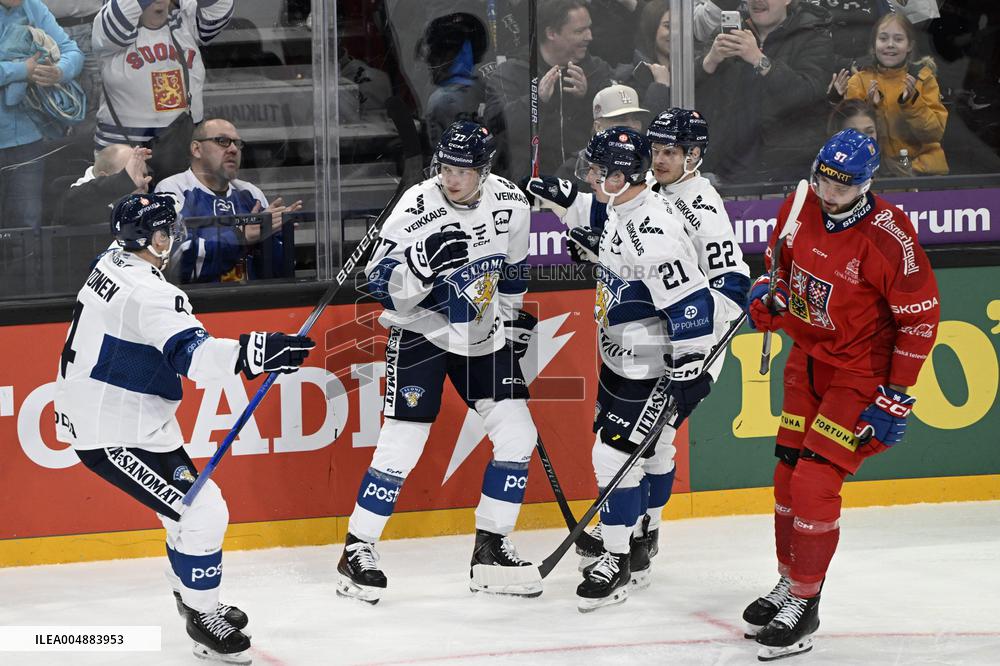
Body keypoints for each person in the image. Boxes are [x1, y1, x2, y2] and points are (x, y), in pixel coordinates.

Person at [53, 192, 314, 664]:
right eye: (165, 230)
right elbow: (193, 358)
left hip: (134, 417)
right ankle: (202, 616)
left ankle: (192, 596)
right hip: (109, 430)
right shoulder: (149, 293)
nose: (171, 236)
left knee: (185, 513)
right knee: (202, 513)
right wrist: (258, 352)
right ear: (149, 239)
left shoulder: (111, 260)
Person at [525, 109, 750, 588]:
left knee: (630, 450)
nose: (660, 159)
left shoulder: (700, 209)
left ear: (694, 155)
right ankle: (639, 535)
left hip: (675, 345)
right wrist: (575, 213)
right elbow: (618, 216)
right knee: (651, 447)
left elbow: (728, 287)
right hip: (640, 341)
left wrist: (693, 359)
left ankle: (625, 544)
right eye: (657, 149)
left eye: (671, 151)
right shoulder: (651, 194)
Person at [743, 129, 939, 660]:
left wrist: (896, 395)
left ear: (866, 184)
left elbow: (921, 320)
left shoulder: (889, 235)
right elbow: (777, 270)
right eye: (825, 180)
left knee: (814, 481)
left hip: (860, 371)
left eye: (843, 186)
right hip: (808, 360)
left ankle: (805, 602)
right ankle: (789, 580)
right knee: (787, 473)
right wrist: (767, 297)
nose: (830, 194)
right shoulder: (798, 204)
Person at [336, 121, 542, 603]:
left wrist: (512, 321)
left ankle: (490, 550)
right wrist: (418, 266)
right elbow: (375, 283)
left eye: (463, 171)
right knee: (403, 443)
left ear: (484, 171)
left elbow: (513, 272)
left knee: (518, 434)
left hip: (483, 337)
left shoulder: (511, 203)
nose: (452, 179)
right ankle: (357, 549)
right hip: (420, 334)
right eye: (446, 168)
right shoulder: (416, 204)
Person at [567, 127, 716, 611]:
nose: (590, 177)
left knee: (612, 457)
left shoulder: (652, 231)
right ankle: (639, 540)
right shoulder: (622, 207)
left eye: (596, 170)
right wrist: (596, 251)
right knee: (643, 453)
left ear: (619, 176)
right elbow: (635, 277)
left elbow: (691, 304)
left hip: (650, 363)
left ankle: (617, 561)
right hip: (620, 356)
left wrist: (689, 371)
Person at [92, 0, 234, 179]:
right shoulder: (107, 26)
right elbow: (118, 18)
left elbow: (220, 7)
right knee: (128, 198)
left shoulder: (184, 21)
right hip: (124, 148)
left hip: (180, 145)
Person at [696, 0, 834, 183]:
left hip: (789, 170)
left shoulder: (813, 33)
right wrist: (710, 61)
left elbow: (810, 93)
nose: (757, 1)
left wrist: (758, 59)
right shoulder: (726, 33)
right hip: (729, 168)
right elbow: (691, 94)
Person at [156, 118, 302, 283]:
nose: (233, 149)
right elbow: (177, 263)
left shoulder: (251, 193)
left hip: (253, 297)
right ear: (196, 149)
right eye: (222, 141)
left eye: (237, 144)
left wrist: (274, 238)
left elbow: (281, 273)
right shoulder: (172, 190)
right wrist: (240, 236)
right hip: (198, 299)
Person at [485, 0, 613, 182]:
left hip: (584, 184)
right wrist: (537, 100)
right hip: (527, 185)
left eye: (589, 28)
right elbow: (496, 126)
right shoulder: (511, 73)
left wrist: (589, 97)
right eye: (579, 31)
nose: (589, 37)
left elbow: (615, 127)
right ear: (551, 33)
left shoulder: (597, 70)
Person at [0, 0, 83, 235]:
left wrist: (59, 71)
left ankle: (29, 263)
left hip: (28, 141)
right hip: (22, 141)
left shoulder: (33, 6)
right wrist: (21, 70)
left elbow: (73, 52)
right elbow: (24, 68)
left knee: (27, 227)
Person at [830, 12, 949, 175]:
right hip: (876, 169)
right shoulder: (859, 80)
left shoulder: (923, 78)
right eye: (883, 38)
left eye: (898, 39)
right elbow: (853, 139)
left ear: (909, 46)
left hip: (920, 167)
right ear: (874, 45)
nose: (890, 44)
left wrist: (912, 103)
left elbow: (934, 133)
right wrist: (871, 108)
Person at [55, 144, 152, 225]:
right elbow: (71, 207)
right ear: (104, 178)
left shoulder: (148, 201)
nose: (141, 182)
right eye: (132, 175)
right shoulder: (77, 200)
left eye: (144, 175)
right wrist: (123, 181)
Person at [612, 0, 671, 113]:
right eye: (667, 26)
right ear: (652, 27)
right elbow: (643, 121)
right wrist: (660, 87)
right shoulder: (631, 77)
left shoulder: (693, 72)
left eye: (681, 27)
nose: (675, 33)